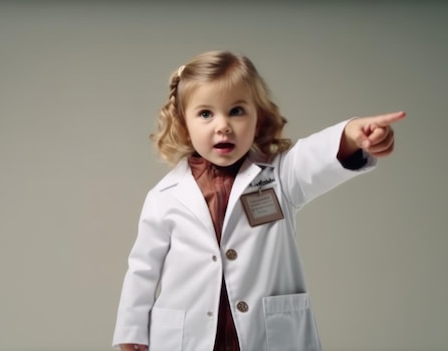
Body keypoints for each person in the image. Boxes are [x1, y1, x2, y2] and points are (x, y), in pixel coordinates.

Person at [112, 50, 404, 351]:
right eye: (205, 114)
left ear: (258, 118)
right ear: (184, 124)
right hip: (191, 337)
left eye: (236, 111)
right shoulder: (164, 196)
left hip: (265, 336)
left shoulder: (281, 176)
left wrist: (352, 135)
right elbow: (143, 268)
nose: (222, 125)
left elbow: (314, 156)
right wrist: (131, 331)